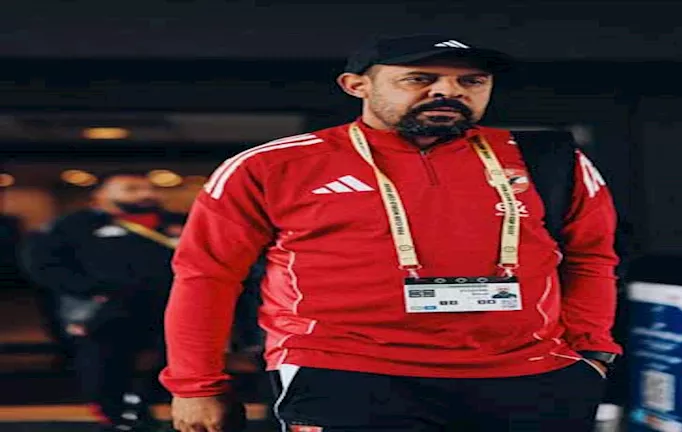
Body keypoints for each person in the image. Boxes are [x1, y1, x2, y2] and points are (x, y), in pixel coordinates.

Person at [161, 34, 622, 432]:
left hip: (528, 375)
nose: (448, 91)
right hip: (347, 373)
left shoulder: (549, 160)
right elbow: (206, 276)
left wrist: (592, 353)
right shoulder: (272, 165)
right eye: (419, 79)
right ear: (356, 85)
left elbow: (591, 258)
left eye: (471, 82)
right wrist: (195, 385)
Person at [20, 170, 184, 432]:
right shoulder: (73, 225)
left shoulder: (177, 223)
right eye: (131, 189)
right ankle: (120, 418)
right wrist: (87, 290)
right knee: (107, 370)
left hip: (169, 310)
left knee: (170, 367)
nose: (146, 194)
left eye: (150, 188)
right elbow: (42, 264)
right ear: (101, 195)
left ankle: (143, 409)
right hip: (104, 312)